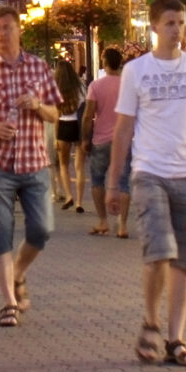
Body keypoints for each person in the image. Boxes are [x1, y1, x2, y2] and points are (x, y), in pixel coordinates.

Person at [106, 0, 186, 367]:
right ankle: (150, 322)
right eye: (170, 23)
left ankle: (176, 338)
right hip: (150, 173)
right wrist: (114, 183)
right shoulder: (137, 71)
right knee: (159, 250)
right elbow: (123, 130)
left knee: (185, 260)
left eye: (180, 23)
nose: (176, 29)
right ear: (154, 28)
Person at [0, 3, 63, 328]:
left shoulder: (38, 67)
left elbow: (55, 114)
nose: (2, 35)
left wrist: (37, 105)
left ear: (19, 30)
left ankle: (18, 273)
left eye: (7, 28)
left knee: (42, 229)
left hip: (34, 160)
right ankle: (8, 302)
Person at [83, 47, 130, 237]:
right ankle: (123, 225)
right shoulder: (128, 85)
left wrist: (85, 138)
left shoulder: (95, 86)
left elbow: (88, 115)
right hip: (125, 139)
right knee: (124, 182)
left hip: (101, 139)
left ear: (104, 63)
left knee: (97, 180)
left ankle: (103, 221)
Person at [54, 59, 86, 213]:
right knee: (79, 166)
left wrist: (54, 137)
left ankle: (68, 196)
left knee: (64, 165)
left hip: (63, 125)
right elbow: (85, 107)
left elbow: (55, 115)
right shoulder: (80, 87)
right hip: (78, 126)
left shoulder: (56, 88)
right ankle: (79, 201)